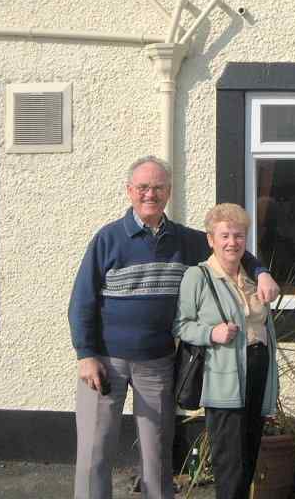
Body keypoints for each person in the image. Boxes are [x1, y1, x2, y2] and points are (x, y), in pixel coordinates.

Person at [68, 157, 279, 499]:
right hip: (107, 362)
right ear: (129, 191)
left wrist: (262, 271)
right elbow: (82, 301)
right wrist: (85, 354)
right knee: (95, 451)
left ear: (168, 193)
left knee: (158, 455)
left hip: (158, 362)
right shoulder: (107, 239)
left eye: (158, 188)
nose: (150, 194)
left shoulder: (185, 240)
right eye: (143, 188)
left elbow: (231, 248)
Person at [173, 203, 278, 499]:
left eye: (239, 235)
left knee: (248, 455)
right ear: (211, 239)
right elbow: (180, 326)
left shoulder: (252, 276)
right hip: (224, 377)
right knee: (229, 461)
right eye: (225, 236)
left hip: (257, 370)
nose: (233, 242)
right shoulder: (198, 276)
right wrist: (211, 333)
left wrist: (264, 274)